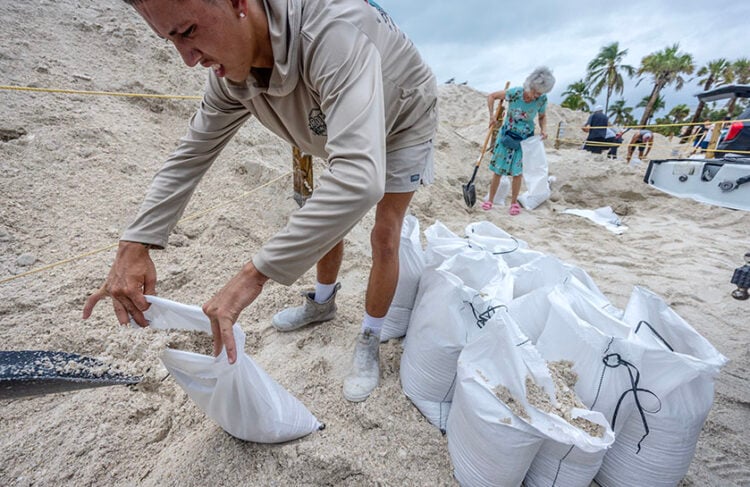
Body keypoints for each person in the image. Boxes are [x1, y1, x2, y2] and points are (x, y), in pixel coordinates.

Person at [82, 0, 438, 404]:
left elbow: (360, 178)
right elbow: (191, 154)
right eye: (170, 41)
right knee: (321, 209)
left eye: (188, 32)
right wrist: (135, 243)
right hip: (330, 114)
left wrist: (252, 276)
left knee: (384, 234)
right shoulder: (230, 75)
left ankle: (370, 336)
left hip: (404, 119)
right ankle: (322, 305)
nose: (187, 59)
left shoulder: (334, 33)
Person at [482, 66, 555, 214]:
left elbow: (542, 116)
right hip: (507, 136)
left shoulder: (541, 100)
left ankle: (513, 203)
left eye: (539, 93)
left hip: (524, 140)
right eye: (534, 92)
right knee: (498, 170)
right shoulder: (515, 93)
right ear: (529, 85)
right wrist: (492, 116)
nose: (535, 96)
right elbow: (491, 96)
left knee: (517, 173)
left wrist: (544, 129)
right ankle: (490, 200)